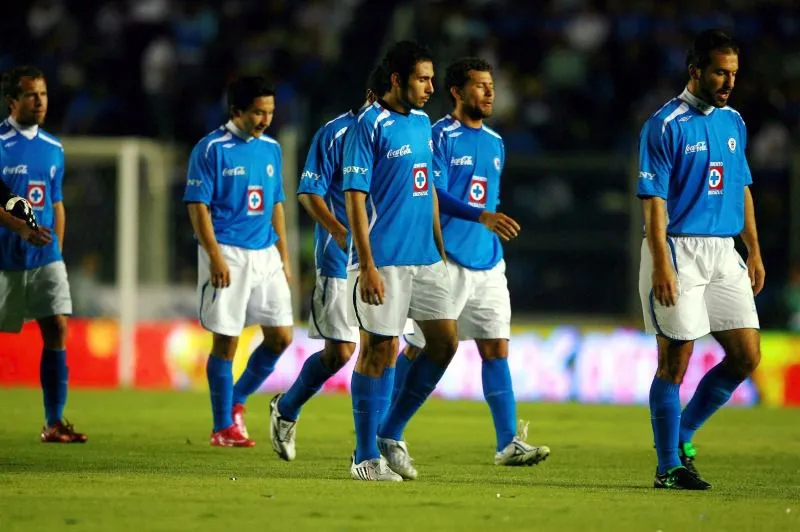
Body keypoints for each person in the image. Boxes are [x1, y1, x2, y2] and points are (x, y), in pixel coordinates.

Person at [395, 57, 550, 467]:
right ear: (457, 92)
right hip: (446, 260)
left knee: (496, 348)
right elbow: (433, 192)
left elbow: (488, 199)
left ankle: (508, 443)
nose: (488, 93)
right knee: (416, 348)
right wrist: (479, 216)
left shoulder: (497, 142)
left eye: (491, 86)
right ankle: (384, 430)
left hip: (488, 262)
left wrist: (488, 222)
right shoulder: (437, 136)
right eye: (480, 86)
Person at [638, 29, 764, 490]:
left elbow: (742, 187)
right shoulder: (664, 124)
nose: (729, 81)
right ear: (695, 71)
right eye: (719, 72)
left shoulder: (734, 121)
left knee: (747, 355)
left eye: (733, 72)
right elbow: (652, 201)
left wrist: (753, 249)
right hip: (678, 248)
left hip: (723, 250)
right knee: (676, 359)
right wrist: (661, 264)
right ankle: (667, 467)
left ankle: (683, 434)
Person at [343, 41, 458, 481]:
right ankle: (364, 458)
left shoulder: (424, 122)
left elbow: (425, 185)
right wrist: (367, 263)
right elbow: (354, 198)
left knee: (444, 342)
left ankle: (390, 433)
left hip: (424, 256)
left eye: (432, 78)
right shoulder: (367, 125)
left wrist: (437, 241)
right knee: (379, 348)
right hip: (383, 256)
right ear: (397, 80)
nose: (431, 87)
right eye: (423, 79)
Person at [267, 65, 390, 462]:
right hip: (339, 260)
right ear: (374, 94)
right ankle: (286, 408)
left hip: (387, 260)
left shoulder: (400, 133)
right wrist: (338, 230)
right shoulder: (335, 132)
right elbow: (308, 192)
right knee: (340, 352)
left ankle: (378, 444)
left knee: (385, 348)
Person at [184, 75, 294, 448]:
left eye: (270, 112)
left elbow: (276, 202)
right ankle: (221, 427)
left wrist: (284, 254)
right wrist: (213, 255)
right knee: (226, 343)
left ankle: (237, 400)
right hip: (227, 251)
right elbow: (197, 207)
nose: (266, 119)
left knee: (281, 337)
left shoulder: (272, 149)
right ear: (236, 111)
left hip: (266, 252)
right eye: (258, 113)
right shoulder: (210, 149)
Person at [0, 65, 86, 443]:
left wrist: (57, 252)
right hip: (5, 260)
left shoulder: (54, 148)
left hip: (45, 258)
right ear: (12, 101)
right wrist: (20, 228)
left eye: (44, 94)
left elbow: (57, 202)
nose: (40, 101)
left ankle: (54, 422)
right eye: (32, 95)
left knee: (57, 327)